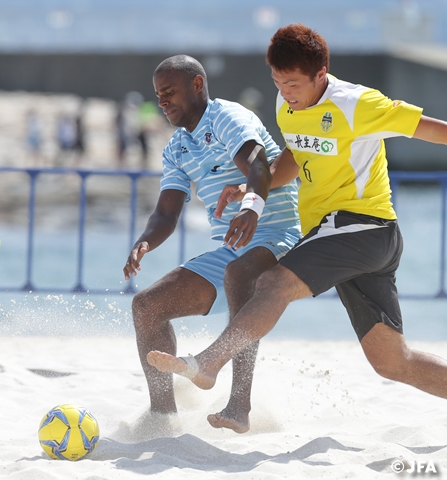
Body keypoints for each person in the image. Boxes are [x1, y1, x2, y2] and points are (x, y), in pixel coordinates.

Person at [147, 24, 447, 405]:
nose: (286, 94)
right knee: (393, 362)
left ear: (320, 75)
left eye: (293, 84)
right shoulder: (286, 105)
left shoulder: (356, 103)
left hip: (361, 224)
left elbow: (429, 130)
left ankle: (209, 362)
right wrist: (249, 187)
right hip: (343, 239)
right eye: (278, 83)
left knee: (273, 284)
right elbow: (293, 157)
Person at [123, 55, 301, 433]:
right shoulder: (175, 148)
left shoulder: (227, 117)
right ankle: (163, 417)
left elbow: (257, 166)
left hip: (282, 234)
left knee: (239, 276)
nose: (163, 102)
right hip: (232, 246)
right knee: (146, 306)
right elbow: (166, 214)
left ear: (198, 85)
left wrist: (252, 208)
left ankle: (239, 405)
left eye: (170, 92)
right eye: (159, 96)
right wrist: (143, 242)